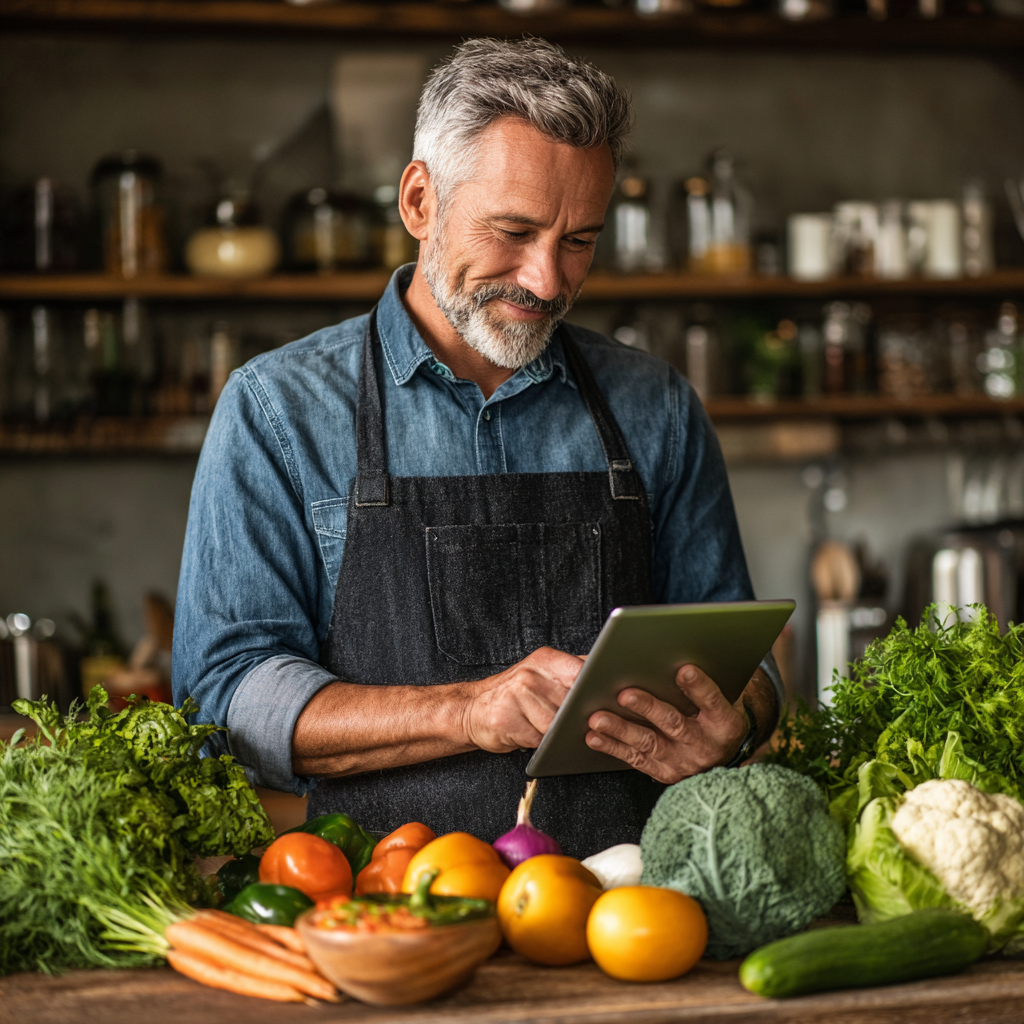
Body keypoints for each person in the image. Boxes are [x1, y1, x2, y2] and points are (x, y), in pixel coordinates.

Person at [173, 38, 781, 858]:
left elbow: (742, 659)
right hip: (384, 913)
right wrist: (466, 711)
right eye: (514, 231)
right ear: (420, 201)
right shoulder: (277, 410)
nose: (546, 281)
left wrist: (736, 719)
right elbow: (223, 695)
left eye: (579, 240)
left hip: (629, 913)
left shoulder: (657, 406)